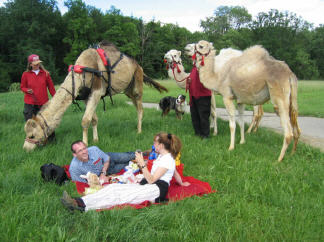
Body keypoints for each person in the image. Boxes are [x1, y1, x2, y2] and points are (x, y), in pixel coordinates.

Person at [61, 132, 189, 212]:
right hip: (149, 185)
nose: (153, 143)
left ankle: (82, 207)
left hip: (156, 189)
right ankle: (79, 200)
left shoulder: (167, 159)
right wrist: (181, 183)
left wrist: (142, 164)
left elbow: (151, 179)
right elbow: (175, 172)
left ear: (161, 145)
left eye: (155, 142)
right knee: (114, 188)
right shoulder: (163, 156)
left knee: (120, 197)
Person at [69, 140, 136, 183]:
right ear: (74, 154)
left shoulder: (94, 149)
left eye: (84, 148)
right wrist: (99, 181)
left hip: (109, 159)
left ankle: (142, 153)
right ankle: (139, 161)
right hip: (109, 171)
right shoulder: (74, 168)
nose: (84, 152)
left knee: (128, 157)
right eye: (80, 151)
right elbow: (81, 184)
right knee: (129, 164)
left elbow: (107, 159)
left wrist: (102, 173)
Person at [20, 54, 56, 121]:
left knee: (47, 122)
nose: (37, 65)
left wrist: (56, 98)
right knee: (31, 123)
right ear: (30, 64)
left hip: (43, 102)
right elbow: (22, 87)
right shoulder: (25, 74)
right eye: (35, 64)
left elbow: (51, 88)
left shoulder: (45, 74)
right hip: (30, 103)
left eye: (38, 63)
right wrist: (27, 90)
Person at [187, 65, 211, 139]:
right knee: (194, 115)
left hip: (203, 95)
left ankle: (205, 135)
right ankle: (197, 133)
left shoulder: (205, 67)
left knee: (203, 116)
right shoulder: (194, 68)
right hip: (193, 95)